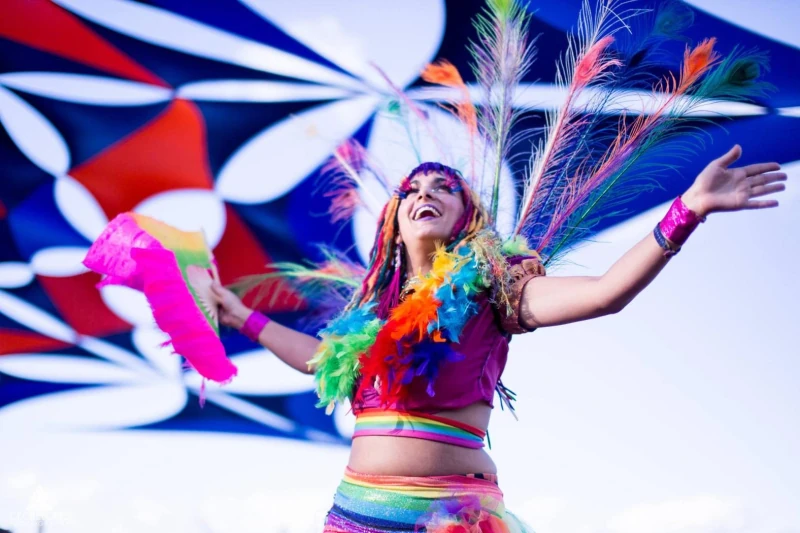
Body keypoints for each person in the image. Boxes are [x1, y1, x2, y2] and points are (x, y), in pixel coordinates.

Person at [211, 146, 785, 530]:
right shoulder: (370, 310)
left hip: (454, 515)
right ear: (395, 217)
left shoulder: (493, 286)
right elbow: (319, 360)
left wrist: (687, 211)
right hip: (357, 511)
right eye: (411, 189)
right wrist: (240, 316)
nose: (423, 193)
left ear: (466, 215)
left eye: (443, 187)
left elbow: (606, 293)